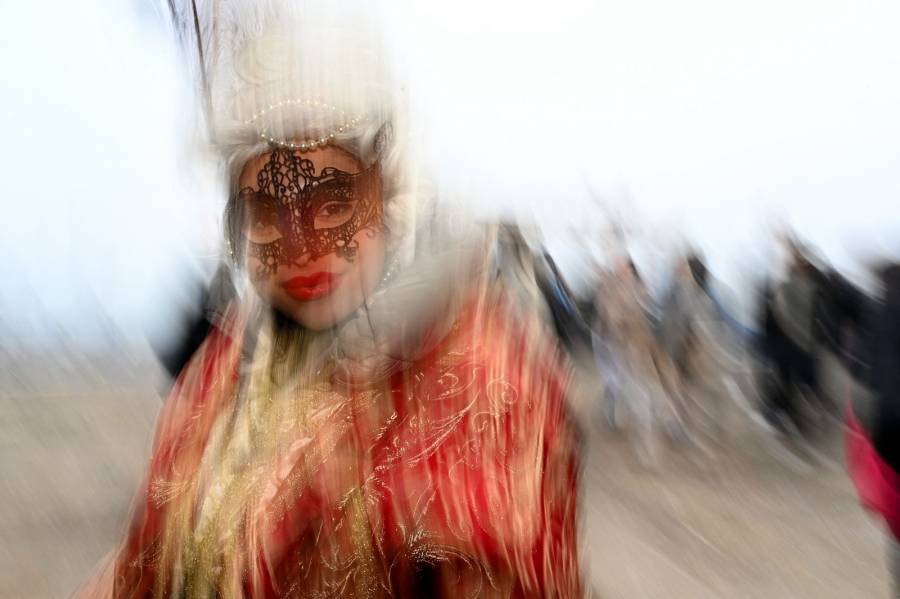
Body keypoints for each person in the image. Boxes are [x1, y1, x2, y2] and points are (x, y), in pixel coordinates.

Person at [76, 3, 581, 597]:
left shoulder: (477, 378)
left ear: (387, 187)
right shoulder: (225, 366)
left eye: (333, 198)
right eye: (266, 206)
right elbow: (147, 558)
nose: (301, 241)